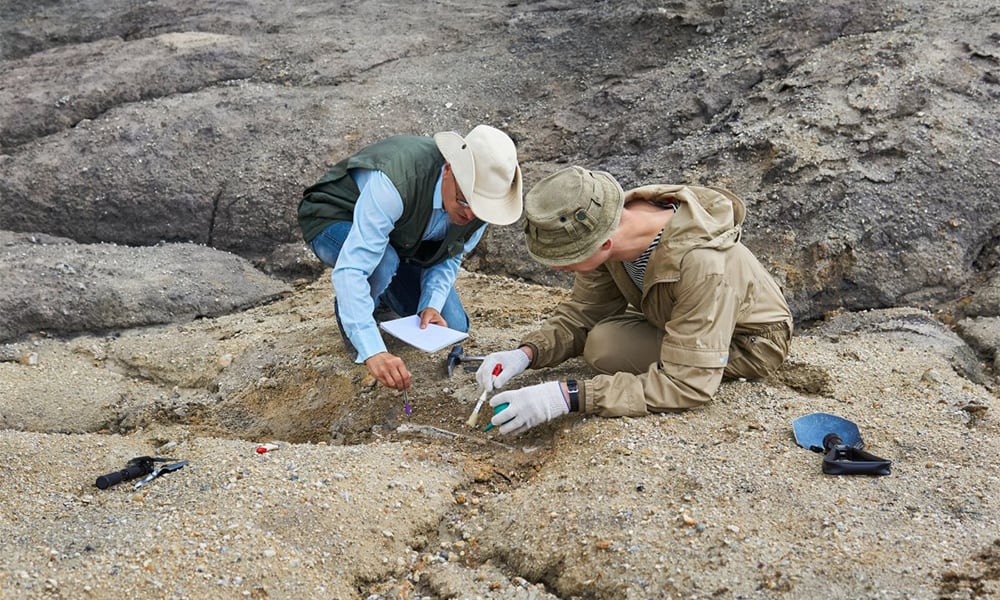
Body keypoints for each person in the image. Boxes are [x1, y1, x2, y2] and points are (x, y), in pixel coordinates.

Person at [477, 166, 793, 435]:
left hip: (748, 341)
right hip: (670, 317)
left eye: (565, 260)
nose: (559, 268)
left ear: (604, 243)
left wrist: (567, 396)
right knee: (603, 341)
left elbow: (688, 384)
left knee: (606, 351)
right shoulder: (605, 220)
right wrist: (526, 354)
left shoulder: (702, 264)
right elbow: (583, 313)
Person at [298, 125, 522, 390]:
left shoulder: (481, 208)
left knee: (453, 325)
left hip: (400, 239)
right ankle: (361, 312)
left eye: (480, 209)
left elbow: (448, 255)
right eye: (464, 201)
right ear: (449, 170)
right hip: (334, 218)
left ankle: (381, 298)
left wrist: (432, 305)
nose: (471, 215)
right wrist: (373, 351)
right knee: (382, 261)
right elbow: (352, 269)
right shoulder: (396, 181)